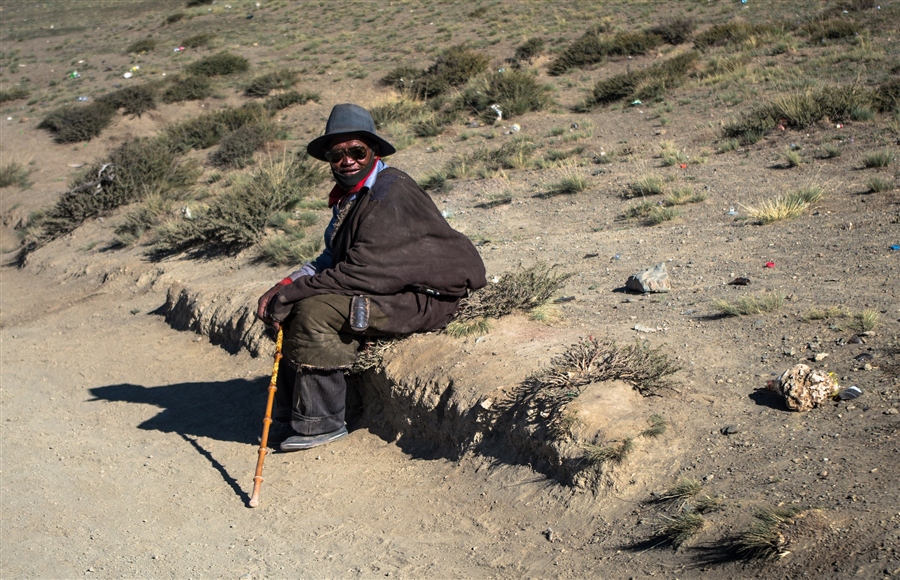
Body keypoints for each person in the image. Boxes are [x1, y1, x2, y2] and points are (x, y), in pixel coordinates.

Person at [256, 103, 487, 451]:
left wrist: (292, 296)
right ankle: (293, 413)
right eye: (337, 156)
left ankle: (324, 421)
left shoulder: (389, 192)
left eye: (356, 152)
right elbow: (331, 259)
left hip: (428, 298)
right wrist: (286, 285)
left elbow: (362, 270)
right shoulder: (351, 199)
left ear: (373, 151)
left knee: (314, 312)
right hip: (387, 288)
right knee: (292, 302)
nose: (346, 160)